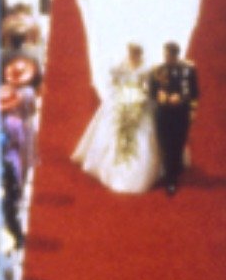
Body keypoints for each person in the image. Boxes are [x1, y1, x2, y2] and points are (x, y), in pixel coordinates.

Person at [73, 43, 159, 194]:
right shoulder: (120, 66)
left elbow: (150, 88)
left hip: (139, 104)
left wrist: (142, 97)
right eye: (132, 52)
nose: (133, 55)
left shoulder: (147, 69)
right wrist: (120, 96)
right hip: (121, 102)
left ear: (140, 53)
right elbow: (113, 84)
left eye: (136, 53)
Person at [147, 41, 200, 196]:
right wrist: (159, 96)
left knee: (178, 144)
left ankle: (174, 169)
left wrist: (182, 98)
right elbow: (151, 91)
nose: (167, 58)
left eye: (170, 55)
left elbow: (195, 92)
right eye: (165, 55)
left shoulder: (187, 70)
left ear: (176, 56)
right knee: (166, 145)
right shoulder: (157, 70)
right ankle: (170, 180)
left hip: (181, 113)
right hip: (163, 113)